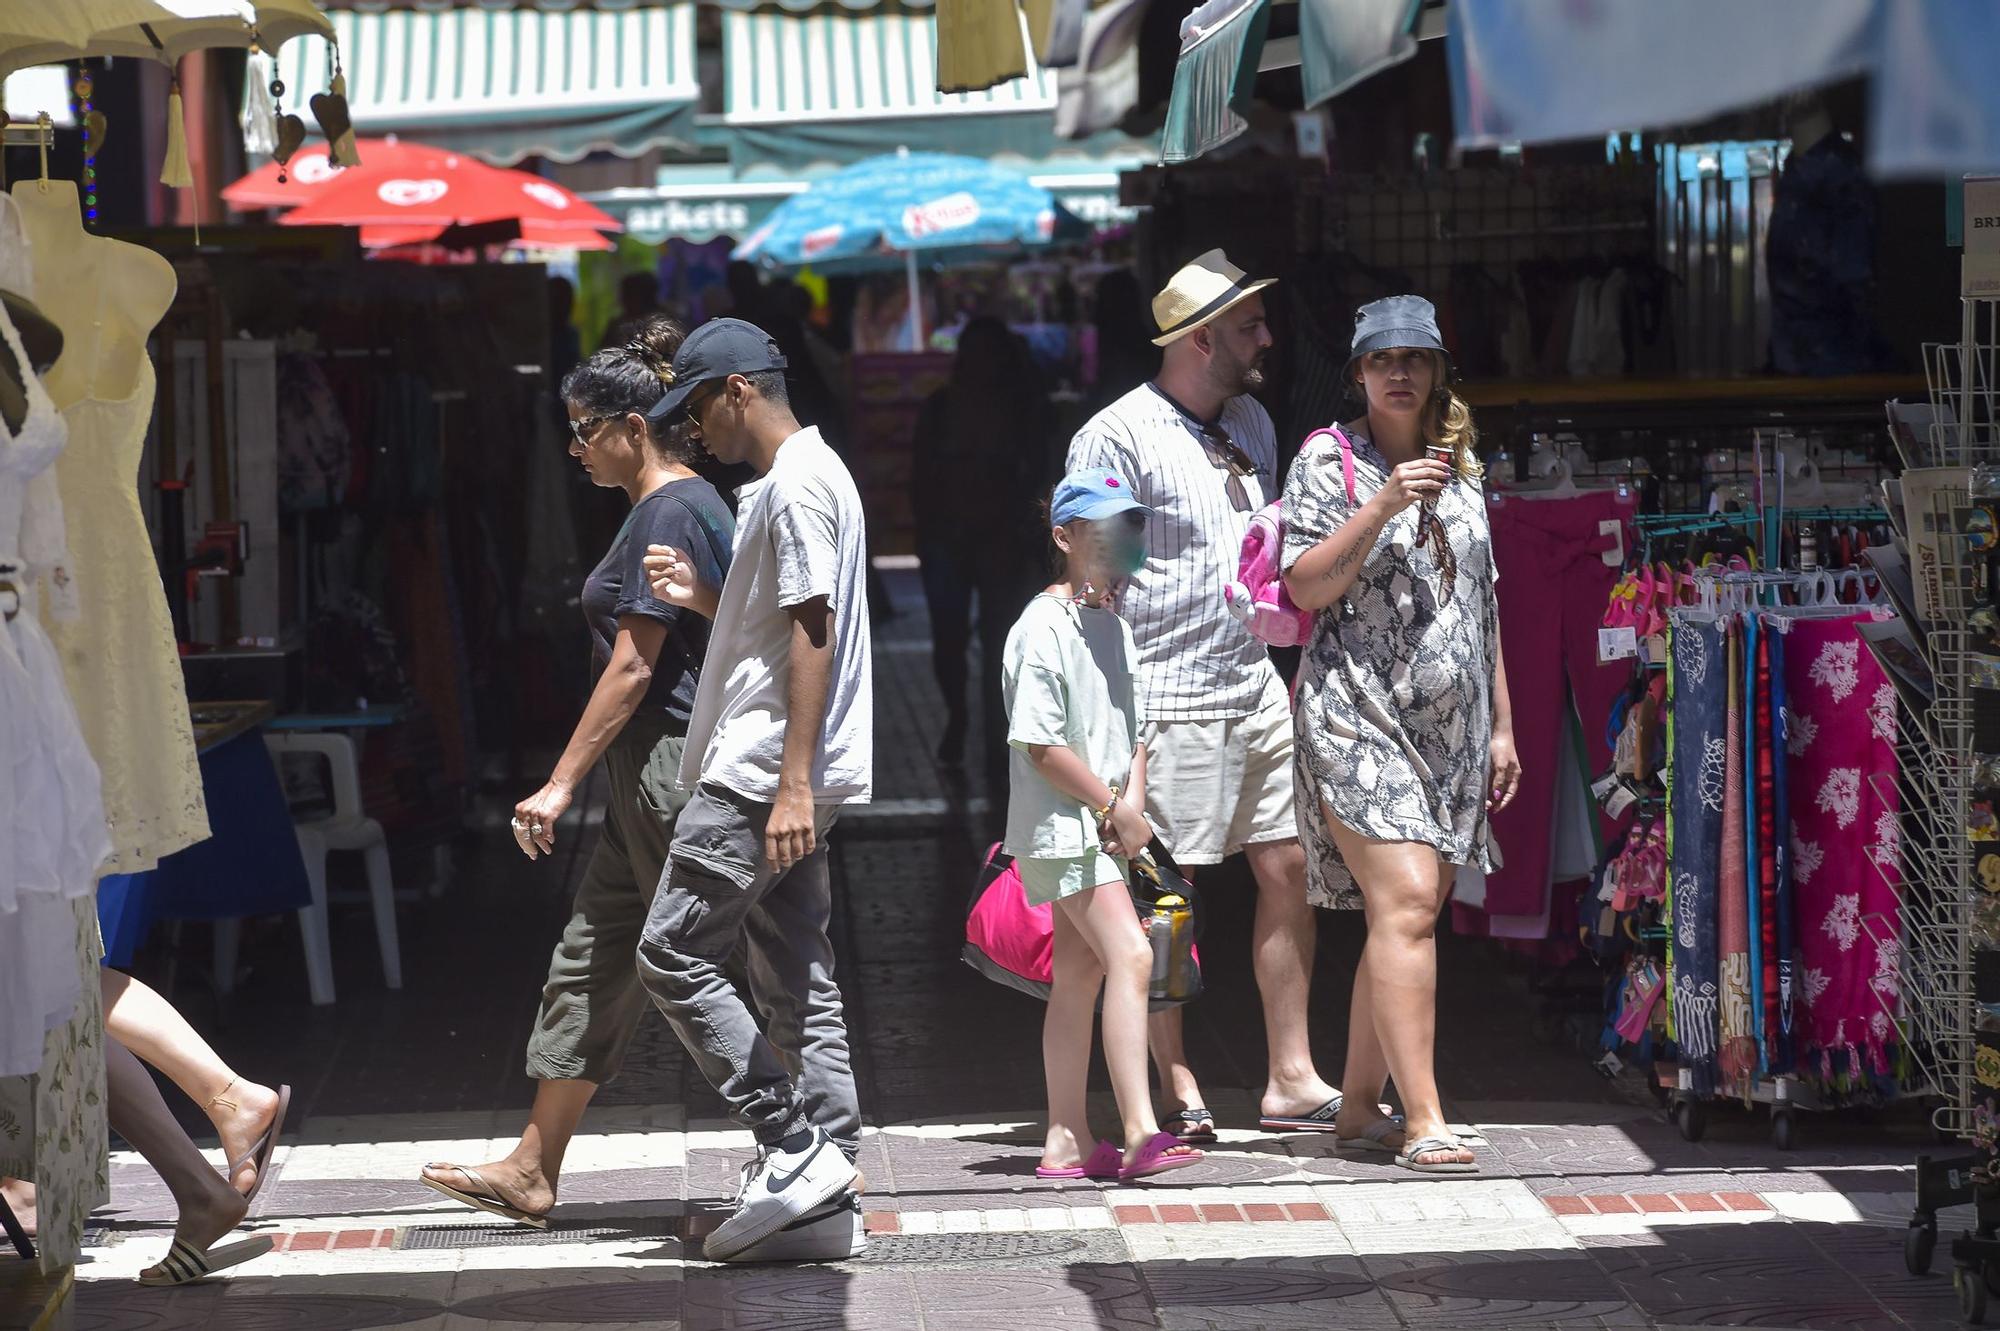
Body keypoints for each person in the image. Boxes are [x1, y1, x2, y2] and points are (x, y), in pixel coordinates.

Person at [419, 317, 735, 1226]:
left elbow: (635, 665)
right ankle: (532, 1163)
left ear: (633, 427)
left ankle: (806, 1144)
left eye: (583, 429)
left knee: (724, 961)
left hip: (672, 768)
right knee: (593, 956)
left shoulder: (672, 508)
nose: (574, 448)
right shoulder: (675, 506)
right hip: (645, 778)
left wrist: (559, 781)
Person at [1067, 250, 1343, 1141]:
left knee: (1289, 865)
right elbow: (1092, 576)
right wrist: (1110, 717)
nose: (1268, 338)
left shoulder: (1252, 422)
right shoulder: (1116, 435)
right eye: (1251, 326)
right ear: (1199, 339)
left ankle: (1291, 1073)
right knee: (1162, 895)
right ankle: (1176, 1079)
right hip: (1162, 693)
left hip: (1252, 683)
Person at [637, 317, 873, 1263]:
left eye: (698, 407)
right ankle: (831, 1180)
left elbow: (813, 628)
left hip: (760, 773)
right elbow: (783, 621)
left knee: (671, 953)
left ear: (738, 389)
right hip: (783, 769)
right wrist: (708, 600)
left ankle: (791, 1142)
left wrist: (789, 786)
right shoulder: (809, 479)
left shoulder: (798, 488)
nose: (694, 431)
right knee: (794, 971)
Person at [1278, 295, 1521, 1174]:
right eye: (1382, 360)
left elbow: (1482, 604)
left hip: (1451, 732)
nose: (1399, 372)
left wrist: (1502, 723)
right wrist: (1380, 503)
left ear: (1436, 371)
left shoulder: (1461, 465)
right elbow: (1304, 588)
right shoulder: (1327, 461)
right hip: (1357, 713)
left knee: (1401, 915)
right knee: (1412, 903)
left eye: (1415, 357)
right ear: (1357, 373)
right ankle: (1423, 1118)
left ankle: (1354, 1111)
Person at [1007, 468, 1206, 1183]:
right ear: (1064, 538)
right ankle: (1140, 1128)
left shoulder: (1112, 625)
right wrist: (1111, 807)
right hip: (1064, 828)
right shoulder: (1042, 626)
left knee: (1081, 974)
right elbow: (1040, 742)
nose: (1121, 543)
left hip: (1101, 828)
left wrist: (1134, 806)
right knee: (1132, 954)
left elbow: (1134, 730)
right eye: (1103, 530)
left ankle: (1064, 1137)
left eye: (1129, 528)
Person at [912, 316, 1056, 783]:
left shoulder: (1023, 410)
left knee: (1001, 644)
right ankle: (960, 719)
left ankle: (999, 736)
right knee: (950, 641)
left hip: (1000, 544)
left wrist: (1020, 530)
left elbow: (1038, 475)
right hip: (950, 541)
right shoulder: (940, 408)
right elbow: (922, 478)